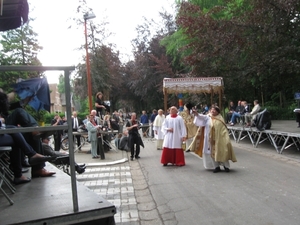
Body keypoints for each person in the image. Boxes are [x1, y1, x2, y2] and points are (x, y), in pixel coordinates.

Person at [0, 91, 57, 178]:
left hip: (5, 127)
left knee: (31, 133)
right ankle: (35, 130)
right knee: (19, 113)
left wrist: (24, 100)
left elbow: (7, 106)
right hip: (3, 126)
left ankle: (38, 169)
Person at [192, 106, 237, 172]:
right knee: (211, 152)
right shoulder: (208, 117)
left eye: (214, 110)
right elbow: (200, 117)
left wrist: (225, 138)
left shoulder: (220, 118)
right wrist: (196, 114)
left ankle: (226, 166)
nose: (212, 111)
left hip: (219, 138)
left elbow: (223, 129)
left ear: (218, 112)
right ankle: (216, 167)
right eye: (212, 110)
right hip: (209, 138)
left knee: (222, 151)